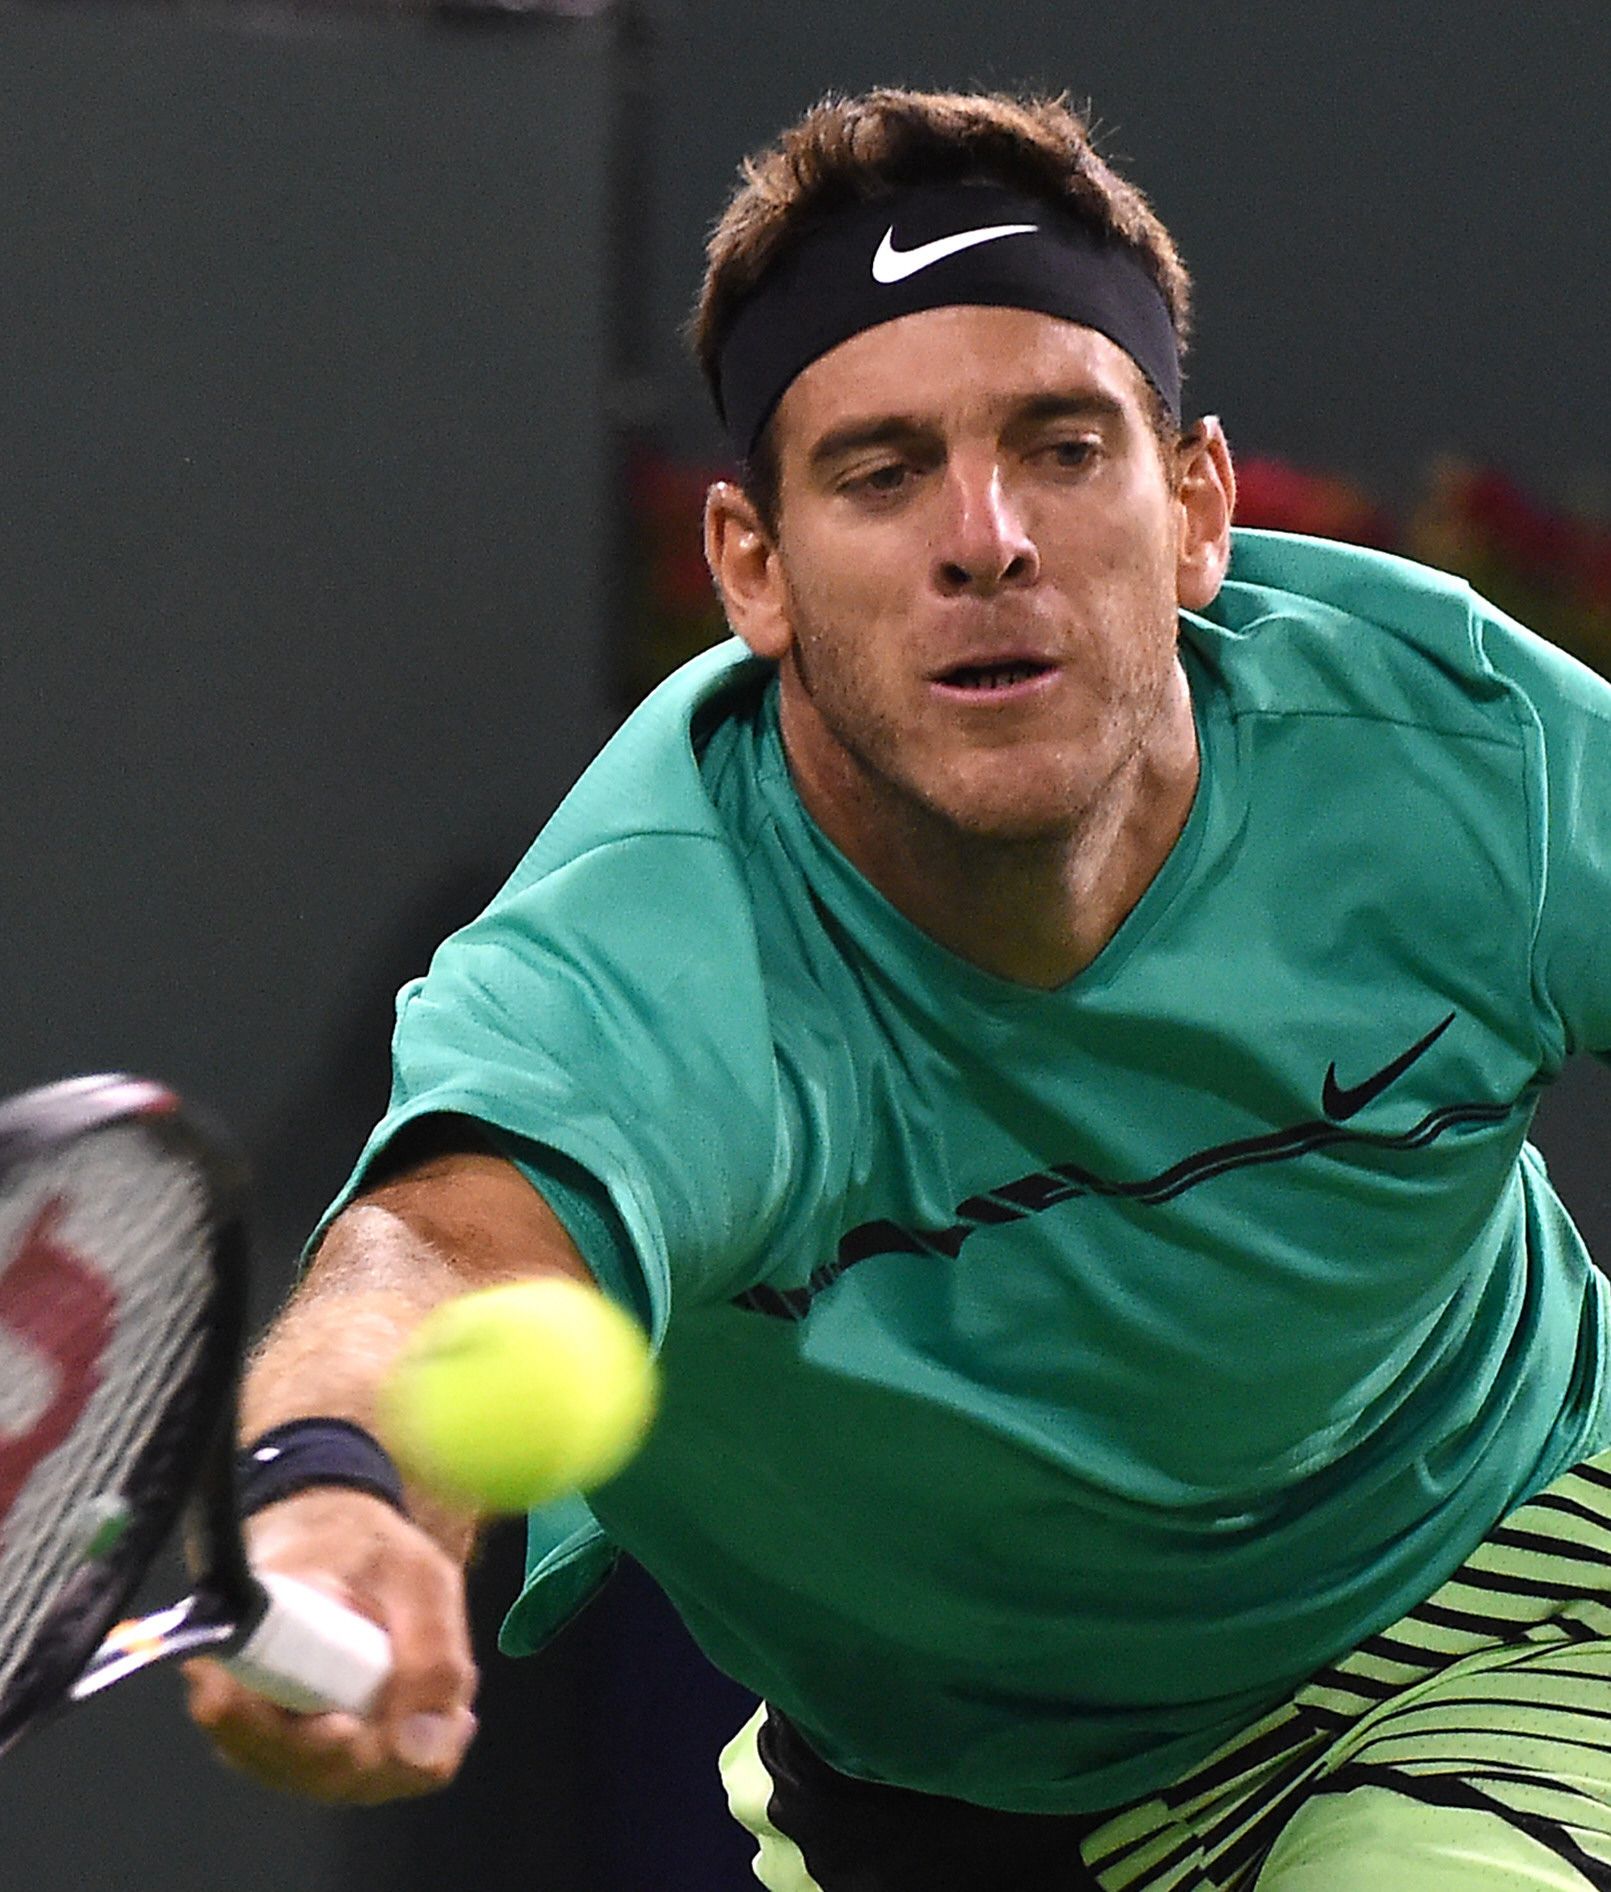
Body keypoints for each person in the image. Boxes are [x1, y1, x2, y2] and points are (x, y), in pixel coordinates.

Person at [186, 87, 1611, 1890]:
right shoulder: (661, 940)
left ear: (1197, 508)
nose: (986, 536)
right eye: (882, 473)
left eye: (1064, 448)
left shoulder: (1463, 758)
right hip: (936, 1799)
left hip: (1493, 1597)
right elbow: (445, 1256)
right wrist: (328, 1490)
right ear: (753, 569)